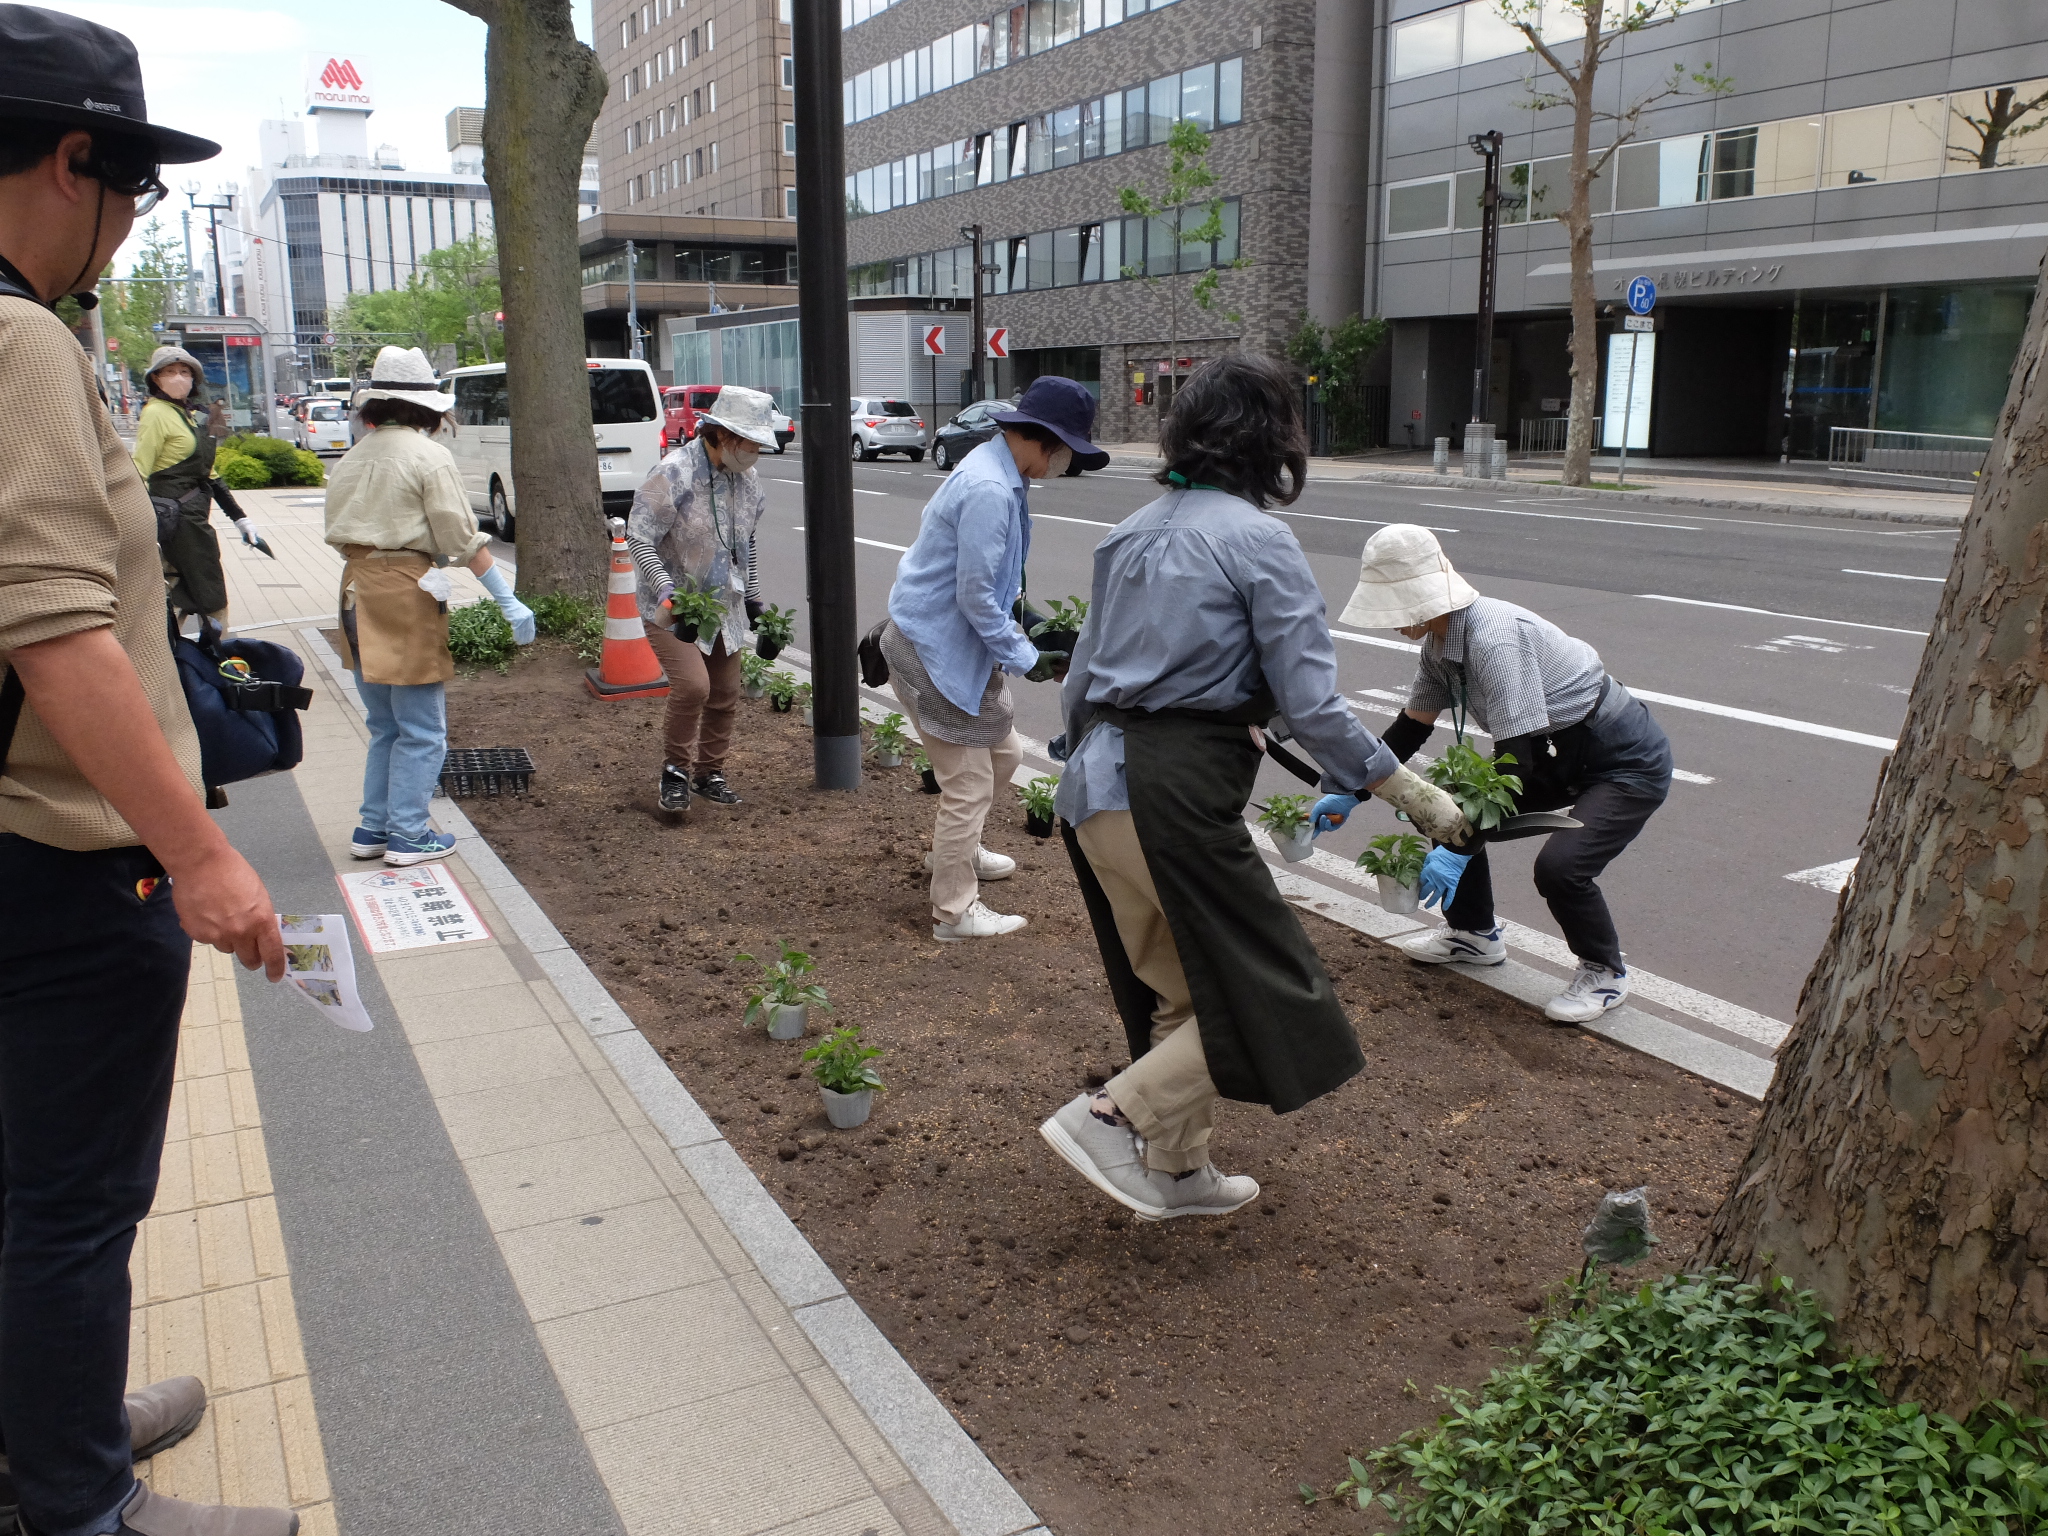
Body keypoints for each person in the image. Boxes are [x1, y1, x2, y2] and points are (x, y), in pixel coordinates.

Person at [0, 9, 296, 1534]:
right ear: (74, 162)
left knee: (26, 1191)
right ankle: (76, 1500)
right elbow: (61, 636)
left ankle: (49, 1417)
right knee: (71, 1202)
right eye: (134, 190)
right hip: (57, 849)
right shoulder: (18, 339)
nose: (128, 228)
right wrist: (200, 853)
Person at [1036, 355, 1472, 1220]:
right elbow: (1311, 703)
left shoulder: (1127, 532)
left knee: (1183, 990)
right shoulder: (1259, 541)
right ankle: (1114, 1116)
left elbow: (1082, 684)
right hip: (1177, 794)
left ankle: (1174, 1169)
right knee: (1279, 989)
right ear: (1272, 440)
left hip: (1094, 788)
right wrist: (1408, 792)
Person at [1325, 523, 1673, 1023]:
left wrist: (1457, 845)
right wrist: (1351, 791)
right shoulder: (1440, 646)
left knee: (1561, 867)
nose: (1392, 621)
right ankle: (1474, 935)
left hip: (1621, 758)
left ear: (1425, 598)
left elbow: (1515, 765)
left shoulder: (1494, 639)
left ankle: (1605, 972)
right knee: (1438, 808)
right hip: (1551, 751)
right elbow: (1410, 729)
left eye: (1396, 607)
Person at [880, 375, 1103, 941]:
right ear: (1043, 440)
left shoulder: (998, 470)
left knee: (1002, 754)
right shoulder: (989, 489)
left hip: (947, 642)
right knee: (970, 783)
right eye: (1066, 451)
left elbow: (993, 588)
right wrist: (1029, 657)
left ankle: (957, 851)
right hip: (933, 649)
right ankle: (954, 912)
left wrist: (1028, 631)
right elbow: (976, 597)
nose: (1065, 463)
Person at [324, 346, 532, 867]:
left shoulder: (353, 457)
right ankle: (409, 834)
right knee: (422, 728)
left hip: (354, 586)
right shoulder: (427, 457)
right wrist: (508, 601)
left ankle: (373, 827)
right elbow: (462, 539)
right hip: (404, 589)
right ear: (426, 407)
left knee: (384, 725)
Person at [627, 384, 779, 813]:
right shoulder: (673, 473)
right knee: (694, 686)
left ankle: (709, 773)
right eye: (752, 443)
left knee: (726, 691)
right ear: (725, 435)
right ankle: (674, 771)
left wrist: (754, 602)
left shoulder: (747, 482)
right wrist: (665, 589)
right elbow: (639, 536)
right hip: (673, 605)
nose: (756, 453)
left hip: (722, 604)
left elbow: (745, 542)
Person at [131, 345, 263, 629]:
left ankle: (202, 654)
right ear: (156, 378)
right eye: (170, 372)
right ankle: (217, 656)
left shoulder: (187, 414)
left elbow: (210, 475)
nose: (179, 377)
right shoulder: (156, 413)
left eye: (184, 371)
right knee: (208, 592)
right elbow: (139, 470)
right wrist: (139, 525)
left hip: (193, 517)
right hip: (176, 520)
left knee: (197, 590)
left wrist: (240, 518)